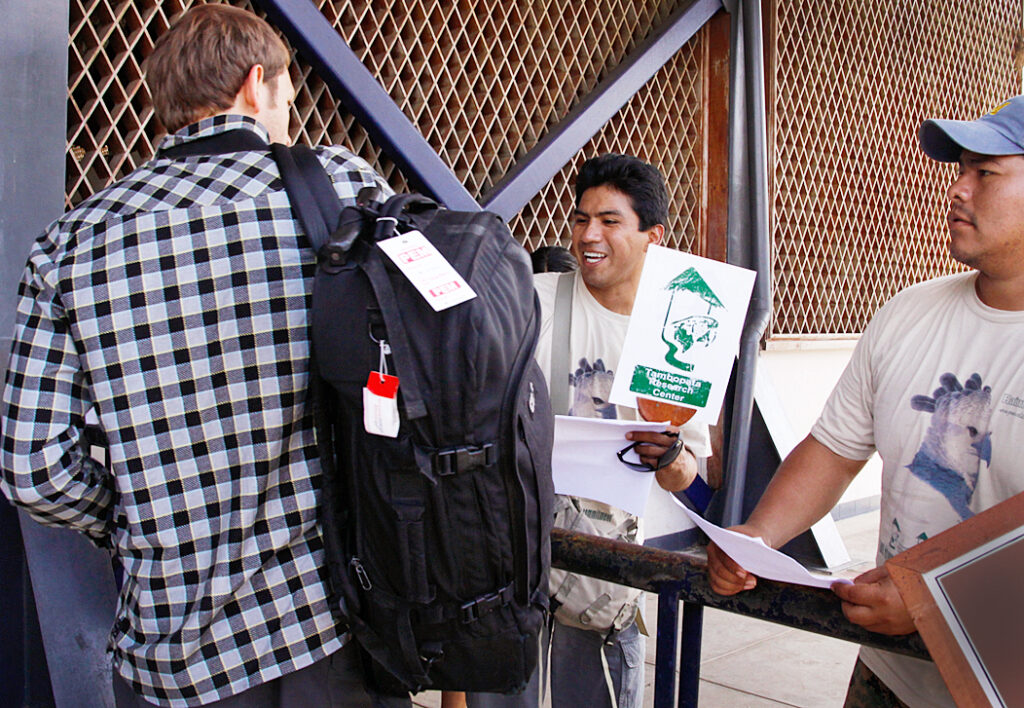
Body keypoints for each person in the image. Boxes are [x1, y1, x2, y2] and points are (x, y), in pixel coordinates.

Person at [0, 6, 408, 707]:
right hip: (323, 629)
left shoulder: (71, 242)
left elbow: (32, 470)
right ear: (258, 85)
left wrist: (130, 518)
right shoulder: (341, 190)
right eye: (287, 98)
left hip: (166, 660)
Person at [706, 95, 1024, 707]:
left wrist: (941, 600)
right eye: (958, 170)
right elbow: (834, 448)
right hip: (890, 673)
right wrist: (758, 537)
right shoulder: (910, 312)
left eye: (984, 173)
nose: (956, 190)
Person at [471, 154, 711, 708]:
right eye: (581, 220)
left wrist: (667, 453)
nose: (588, 235)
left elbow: (684, 475)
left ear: (653, 235)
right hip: (515, 554)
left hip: (605, 577)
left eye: (610, 221)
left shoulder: (678, 335)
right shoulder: (531, 298)